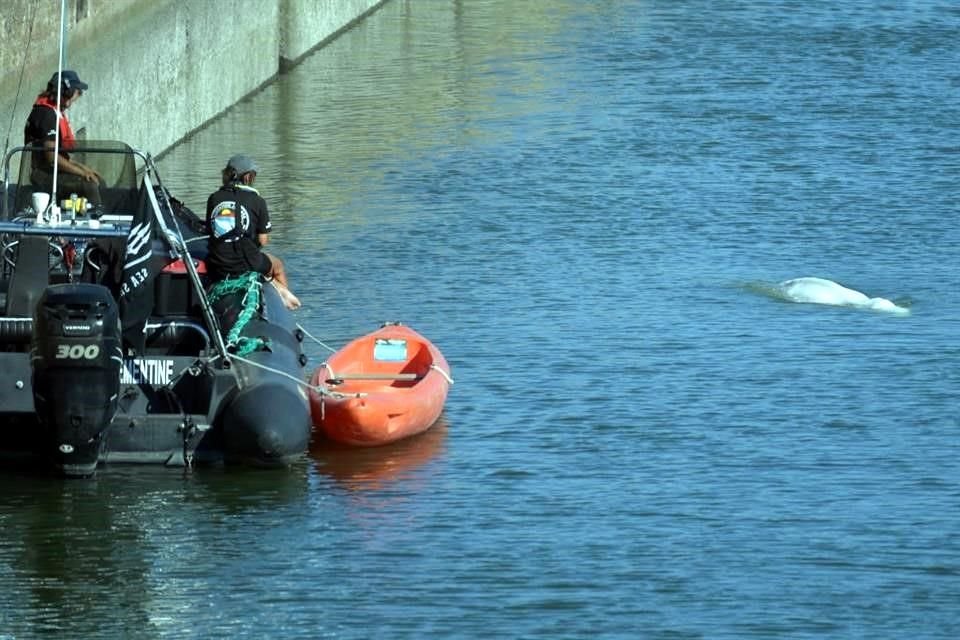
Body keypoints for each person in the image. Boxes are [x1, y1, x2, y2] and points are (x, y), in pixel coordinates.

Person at [205, 154, 301, 310]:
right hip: (247, 262)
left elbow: (211, 232)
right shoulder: (257, 201)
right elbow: (263, 240)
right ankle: (281, 310)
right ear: (248, 177)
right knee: (278, 266)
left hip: (218, 263)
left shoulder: (214, 198)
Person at [23, 70, 103, 206]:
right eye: (78, 92)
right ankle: (97, 217)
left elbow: (61, 156)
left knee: (95, 178)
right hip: (43, 175)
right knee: (89, 185)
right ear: (68, 92)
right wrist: (82, 174)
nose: (79, 95)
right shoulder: (47, 115)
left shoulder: (54, 111)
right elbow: (52, 158)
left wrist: (85, 169)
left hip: (52, 171)